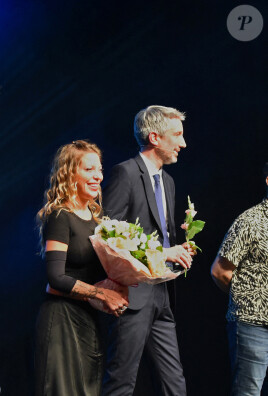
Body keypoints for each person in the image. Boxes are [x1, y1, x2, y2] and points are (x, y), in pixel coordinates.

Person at [101, 105, 194, 396]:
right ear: (155, 137)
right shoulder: (125, 173)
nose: (183, 143)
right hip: (134, 293)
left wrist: (178, 248)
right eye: (177, 135)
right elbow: (108, 235)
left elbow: (160, 234)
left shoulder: (168, 181)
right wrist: (164, 252)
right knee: (122, 381)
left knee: (174, 384)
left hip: (163, 294)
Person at [34, 141, 129, 396]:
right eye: (89, 169)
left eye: (99, 169)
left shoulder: (99, 221)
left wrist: (121, 285)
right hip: (61, 322)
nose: (98, 176)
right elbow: (55, 277)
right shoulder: (59, 216)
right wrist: (101, 294)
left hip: (88, 322)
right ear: (69, 174)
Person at [210, 162, 268, 396]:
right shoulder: (250, 221)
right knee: (248, 392)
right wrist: (249, 298)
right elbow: (219, 271)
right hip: (252, 324)